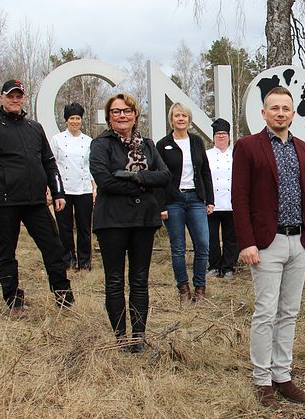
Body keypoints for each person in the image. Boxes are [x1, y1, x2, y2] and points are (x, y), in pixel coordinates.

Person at [232, 86, 305, 409]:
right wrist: (247, 243)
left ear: (293, 113)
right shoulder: (247, 147)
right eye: (275, 108)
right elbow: (239, 198)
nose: (280, 113)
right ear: (264, 113)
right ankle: (261, 380)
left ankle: (282, 376)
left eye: (286, 108)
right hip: (265, 244)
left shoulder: (303, 148)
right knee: (266, 312)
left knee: (290, 312)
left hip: (298, 241)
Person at [0, 79, 74, 320]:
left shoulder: (34, 128)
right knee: (7, 253)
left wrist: (58, 193)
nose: (15, 100)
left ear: (23, 99)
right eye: (10, 96)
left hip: (36, 203)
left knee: (54, 249)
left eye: (19, 96)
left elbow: (49, 162)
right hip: (5, 204)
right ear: (1, 98)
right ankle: (14, 301)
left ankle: (64, 298)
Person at [90, 93, 171, 353]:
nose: (122, 115)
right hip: (112, 221)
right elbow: (104, 180)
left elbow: (164, 176)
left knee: (139, 280)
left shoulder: (147, 145)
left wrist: (133, 178)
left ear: (135, 114)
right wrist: (143, 183)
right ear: (109, 117)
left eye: (126, 111)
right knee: (114, 280)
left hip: (143, 221)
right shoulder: (101, 144)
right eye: (116, 112)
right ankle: (120, 339)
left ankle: (138, 338)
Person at [156, 103, 214, 305]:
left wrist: (210, 200)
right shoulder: (163, 144)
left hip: (196, 199)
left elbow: (205, 171)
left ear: (189, 120)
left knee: (203, 245)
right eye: (177, 116)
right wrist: (161, 205)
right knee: (178, 248)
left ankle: (200, 287)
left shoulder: (197, 142)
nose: (181, 119)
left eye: (184, 116)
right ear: (171, 119)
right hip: (174, 202)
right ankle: (183, 289)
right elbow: (158, 177)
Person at [49, 103, 95, 271]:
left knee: (84, 227)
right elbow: (52, 164)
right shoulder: (57, 139)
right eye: (71, 119)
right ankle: (68, 259)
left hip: (83, 188)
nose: (75, 121)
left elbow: (91, 166)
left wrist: (94, 188)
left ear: (81, 120)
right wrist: (51, 189)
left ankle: (85, 261)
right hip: (63, 189)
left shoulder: (88, 141)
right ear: (66, 121)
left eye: (78, 118)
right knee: (65, 227)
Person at [205, 118, 238, 279]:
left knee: (231, 237)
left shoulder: (236, 155)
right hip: (211, 203)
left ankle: (229, 267)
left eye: (224, 134)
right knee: (211, 237)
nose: (221, 137)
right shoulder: (206, 155)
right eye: (218, 134)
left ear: (229, 137)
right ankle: (214, 266)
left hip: (232, 203)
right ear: (213, 137)